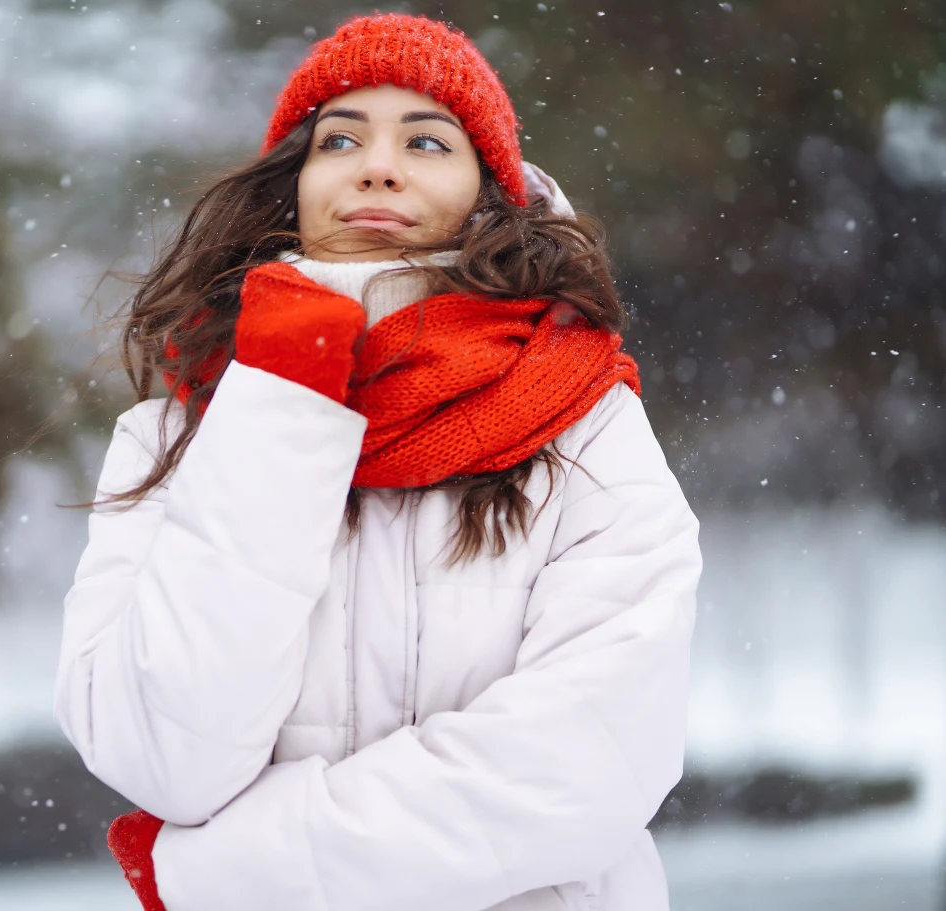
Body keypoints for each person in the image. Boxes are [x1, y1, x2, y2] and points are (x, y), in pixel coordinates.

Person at [54, 12, 701, 911]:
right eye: (340, 138)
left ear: (490, 195)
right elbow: (167, 757)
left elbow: (588, 764)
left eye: (427, 141)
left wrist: (226, 874)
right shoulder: (175, 440)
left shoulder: (584, 422)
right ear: (293, 183)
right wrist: (283, 392)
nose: (378, 166)